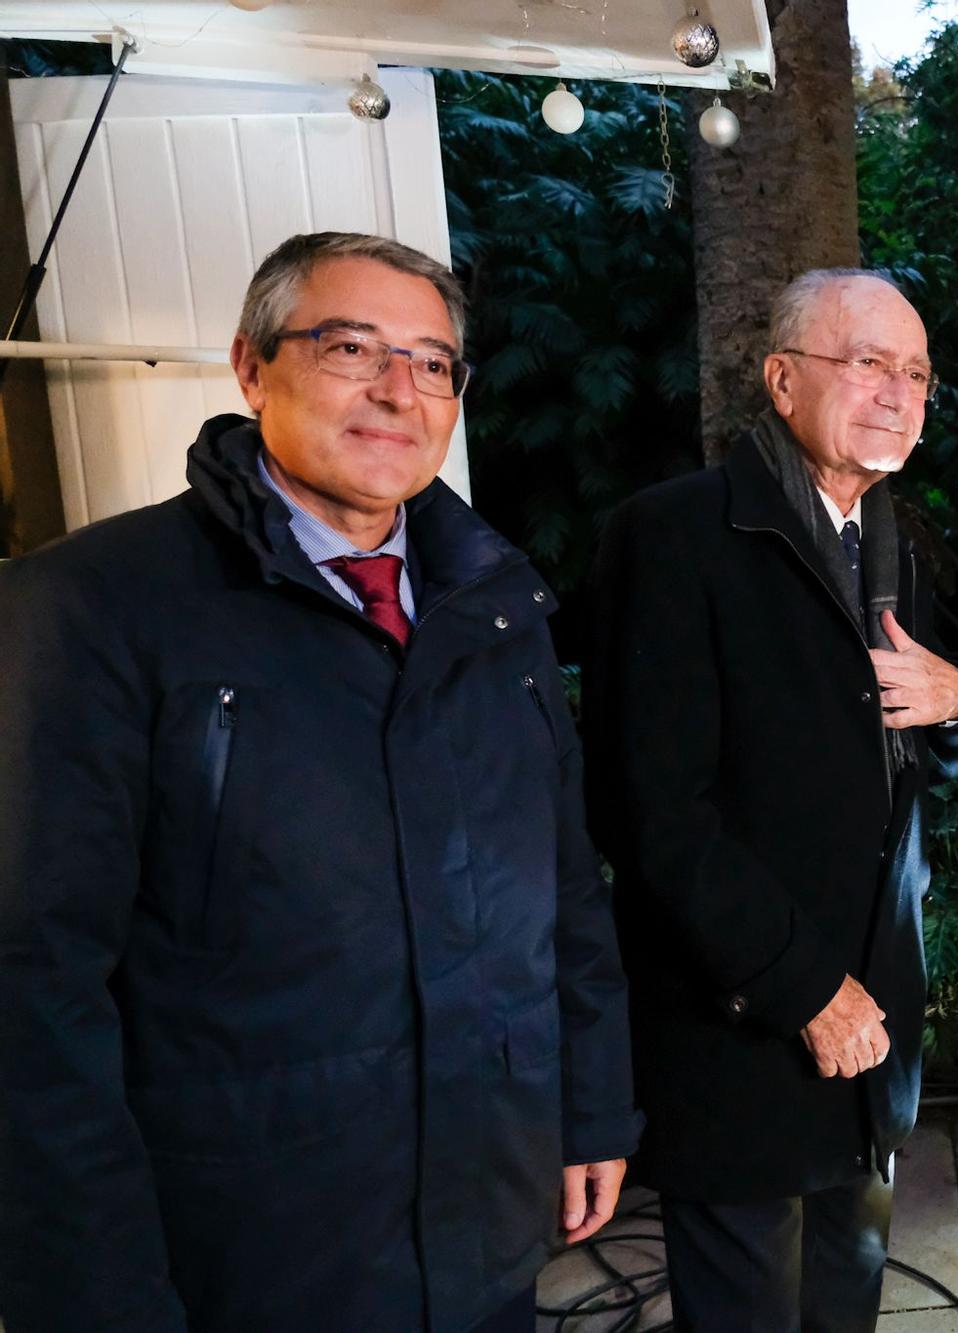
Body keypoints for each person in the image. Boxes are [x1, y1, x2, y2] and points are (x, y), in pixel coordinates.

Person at [0, 232, 639, 1333]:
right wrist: (94, 1293)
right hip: (254, 1247)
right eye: (353, 347)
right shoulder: (93, 609)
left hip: (482, 1215)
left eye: (433, 363)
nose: (400, 390)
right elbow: (32, 989)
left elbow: (563, 883)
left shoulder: (495, 610)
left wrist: (589, 1107)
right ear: (252, 367)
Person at [586, 268, 958, 1332]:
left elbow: (954, 739)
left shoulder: (904, 547)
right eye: (867, 364)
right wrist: (805, 986)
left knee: (842, 1310)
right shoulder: (673, 537)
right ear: (780, 380)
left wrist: (956, 701)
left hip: (869, 1047)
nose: (897, 393)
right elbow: (648, 813)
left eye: (915, 373)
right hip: (746, 1036)